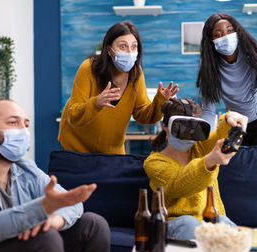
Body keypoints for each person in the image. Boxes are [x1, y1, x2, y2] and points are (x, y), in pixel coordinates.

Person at [0, 99, 110, 252]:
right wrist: (43, 208)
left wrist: (54, 220)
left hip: (15, 249)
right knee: (45, 239)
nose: (22, 131)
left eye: (25, 124)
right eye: (13, 122)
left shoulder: (25, 168)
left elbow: (72, 204)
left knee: (93, 225)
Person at [58, 21, 178, 154]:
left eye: (134, 47)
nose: (129, 52)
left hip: (112, 151)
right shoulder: (88, 68)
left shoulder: (136, 74)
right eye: (122, 46)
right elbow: (73, 116)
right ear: (109, 50)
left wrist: (161, 101)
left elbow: (143, 115)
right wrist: (97, 103)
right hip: (77, 149)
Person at [143, 98, 248, 240]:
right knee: (189, 223)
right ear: (166, 126)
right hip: (176, 225)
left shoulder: (201, 148)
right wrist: (209, 161)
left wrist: (229, 118)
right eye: (181, 127)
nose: (188, 134)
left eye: (193, 129)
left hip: (210, 222)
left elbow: (220, 134)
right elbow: (179, 185)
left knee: (222, 221)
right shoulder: (154, 163)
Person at [197, 13, 257, 162]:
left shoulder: (255, 58)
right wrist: (205, 141)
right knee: (234, 167)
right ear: (211, 41)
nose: (225, 36)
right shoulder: (209, 68)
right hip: (236, 126)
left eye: (230, 31)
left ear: (237, 31)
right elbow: (208, 111)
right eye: (218, 34)